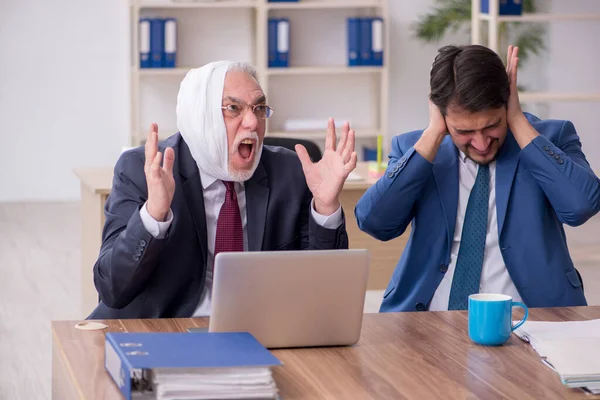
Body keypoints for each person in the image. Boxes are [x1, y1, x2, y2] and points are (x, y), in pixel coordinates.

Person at [88, 61, 357, 319]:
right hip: (167, 330)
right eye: (233, 108)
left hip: (257, 330)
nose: (253, 122)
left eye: (259, 107)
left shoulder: (290, 170)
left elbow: (322, 290)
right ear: (200, 116)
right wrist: (153, 215)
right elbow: (112, 288)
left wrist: (325, 207)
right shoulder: (142, 169)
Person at [355, 44, 600, 312]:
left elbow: (581, 207)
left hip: (533, 321)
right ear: (441, 114)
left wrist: (517, 121)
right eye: (464, 131)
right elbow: (375, 223)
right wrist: (433, 135)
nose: (482, 143)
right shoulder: (416, 149)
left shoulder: (550, 138)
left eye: (492, 125)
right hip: (428, 322)